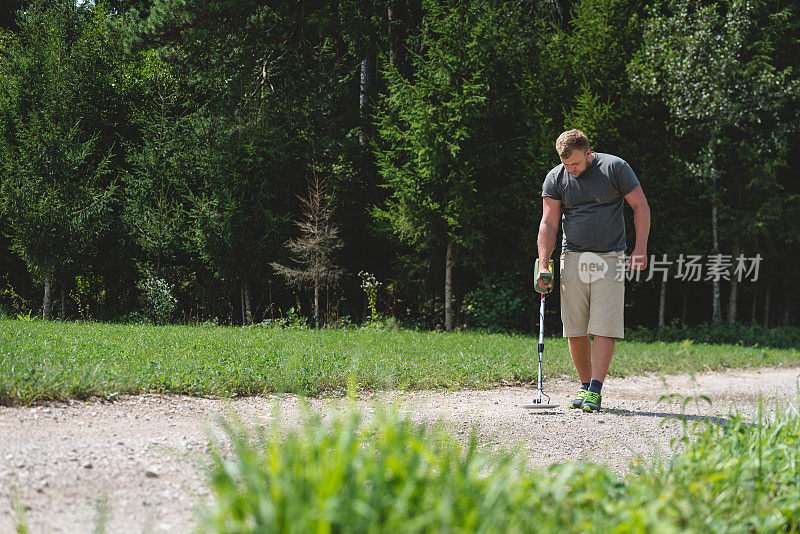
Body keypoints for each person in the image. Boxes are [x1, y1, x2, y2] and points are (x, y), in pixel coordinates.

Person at [536, 129, 650, 412]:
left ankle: (596, 389)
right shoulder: (556, 177)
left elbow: (640, 206)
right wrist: (544, 262)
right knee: (574, 326)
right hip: (571, 255)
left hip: (610, 256)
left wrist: (640, 248)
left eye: (575, 163)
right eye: (566, 165)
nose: (571, 170)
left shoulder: (615, 168)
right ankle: (584, 385)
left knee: (604, 325)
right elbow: (548, 223)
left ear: (589, 153)